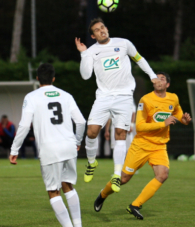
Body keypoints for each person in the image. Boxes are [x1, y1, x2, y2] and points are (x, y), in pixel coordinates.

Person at [75, 18, 159, 192]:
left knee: (120, 134)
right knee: (91, 132)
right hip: (104, 97)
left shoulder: (123, 43)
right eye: (97, 30)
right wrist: (83, 53)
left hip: (124, 97)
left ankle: (116, 174)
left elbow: (139, 59)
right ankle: (92, 162)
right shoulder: (91, 51)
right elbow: (85, 75)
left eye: (103, 27)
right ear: (93, 35)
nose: (102, 30)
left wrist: (152, 76)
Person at [93, 72, 192, 220]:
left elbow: (178, 114)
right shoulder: (146, 100)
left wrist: (184, 120)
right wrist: (162, 123)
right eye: (156, 78)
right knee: (124, 179)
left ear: (167, 84)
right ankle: (103, 194)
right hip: (141, 145)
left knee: (162, 175)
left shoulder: (173, 98)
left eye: (162, 79)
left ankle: (135, 205)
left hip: (159, 146)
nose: (158, 80)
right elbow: (139, 126)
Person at [10, 63, 86, 227]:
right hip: (69, 146)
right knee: (68, 185)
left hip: (50, 149)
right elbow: (80, 121)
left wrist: (14, 149)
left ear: (37, 79)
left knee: (53, 190)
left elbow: (24, 125)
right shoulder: (66, 95)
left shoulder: (32, 97)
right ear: (53, 78)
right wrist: (77, 141)